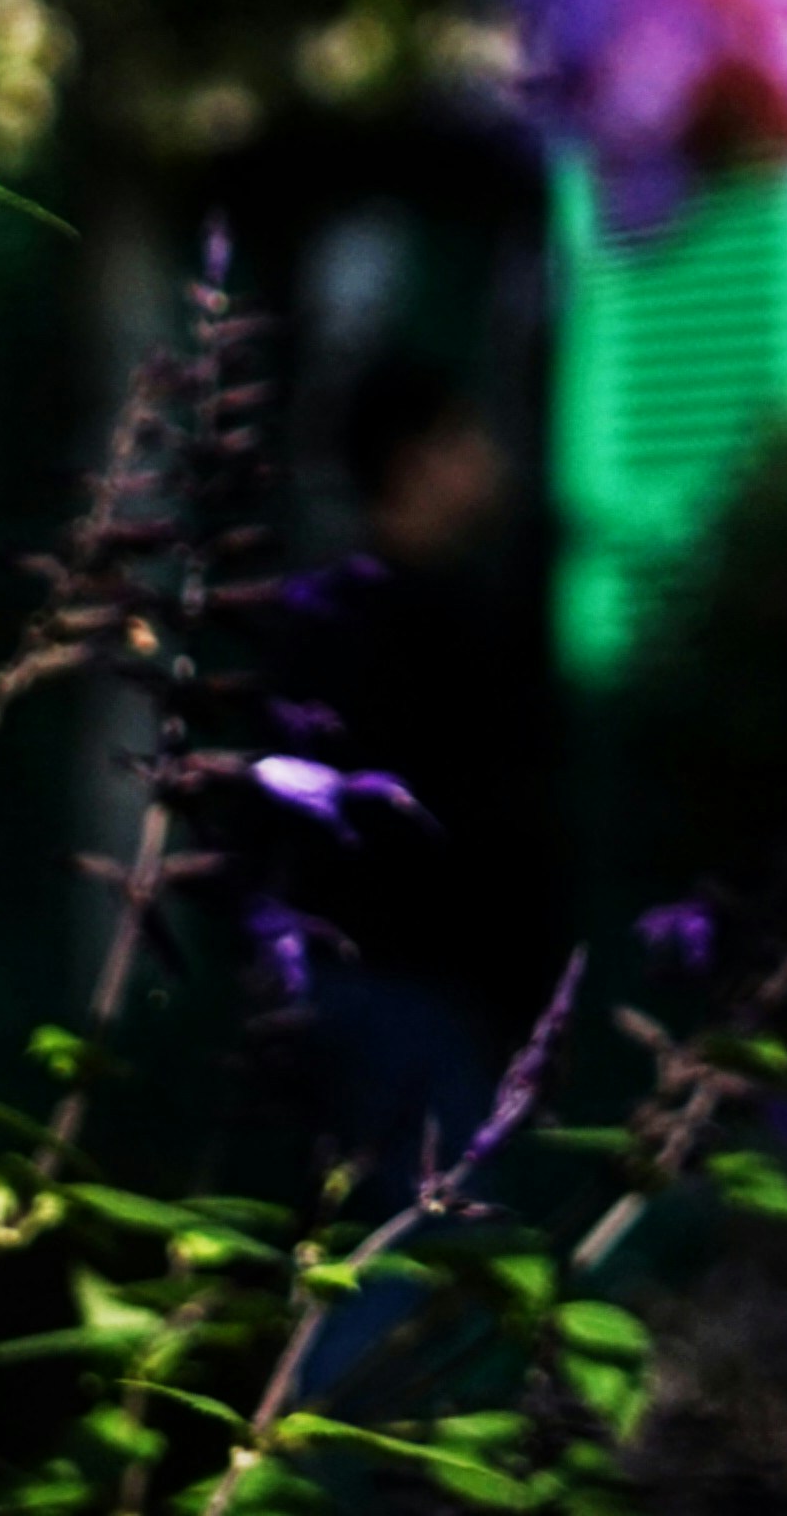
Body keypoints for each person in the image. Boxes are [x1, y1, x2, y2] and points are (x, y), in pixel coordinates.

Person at [272, 349, 564, 1166]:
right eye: (467, 436)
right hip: (417, 989)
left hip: (354, 980)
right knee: (433, 1247)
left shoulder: (327, 613)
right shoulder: (441, 626)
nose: (491, 459)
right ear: (414, 462)